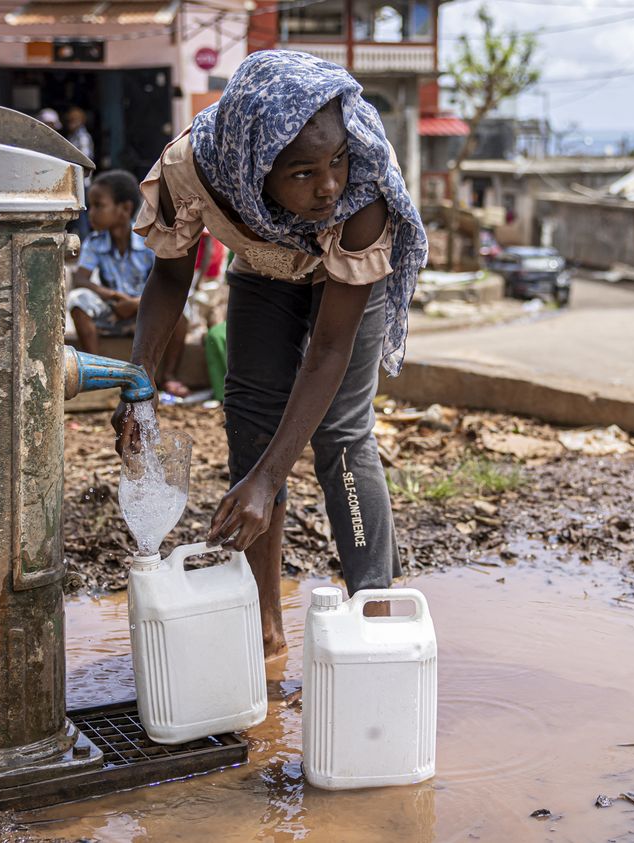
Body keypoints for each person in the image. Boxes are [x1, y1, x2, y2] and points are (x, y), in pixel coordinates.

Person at [117, 51, 427, 656]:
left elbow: (331, 346)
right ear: (255, 164)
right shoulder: (197, 168)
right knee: (250, 421)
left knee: (340, 433)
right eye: (303, 172)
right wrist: (140, 380)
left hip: (343, 274)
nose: (328, 184)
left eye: (334, 160)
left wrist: (270, 480)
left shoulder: (360, 195)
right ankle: (264, 627)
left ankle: (378, 619)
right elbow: (170, 278)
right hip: (264, 266)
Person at [69, 170, 190, 397]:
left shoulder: (148, 241)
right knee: (78, 301)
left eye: (98, 205)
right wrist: (114, 297)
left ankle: (169, 376)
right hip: (114, 311)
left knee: (183, 309)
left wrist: (135, 304)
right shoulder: (95, 243)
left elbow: (168, 283)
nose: (91, 213)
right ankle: (97, 375)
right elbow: (80, 279)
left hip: (146, 313)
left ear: (124, 209)